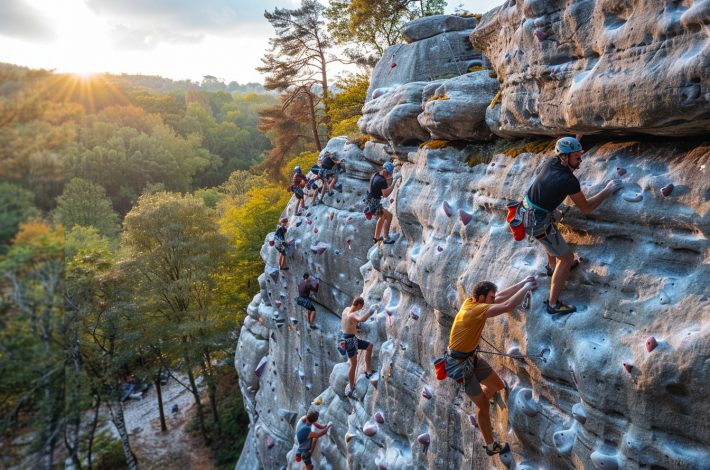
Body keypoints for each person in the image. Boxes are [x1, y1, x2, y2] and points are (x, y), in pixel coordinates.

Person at [524, 136, 623, 315]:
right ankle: (553, 304)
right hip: (538, 222)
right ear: (564, 158)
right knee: (567, 258)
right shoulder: (568, 180)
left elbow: (565, 149)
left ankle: (551, 267)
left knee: (554, 221)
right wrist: (607, 190)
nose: (581, 161)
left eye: (580, 156)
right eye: (577, 158)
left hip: (527, 211)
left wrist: (576, 139)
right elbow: (586, 208)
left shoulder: (553, 162)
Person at [446, 277, 537, 456]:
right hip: (459, 365)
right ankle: (490, 445)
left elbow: (500, 298)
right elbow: (506, 306)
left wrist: (520, 284)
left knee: (498, 386)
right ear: (481, 299)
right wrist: (527, 288)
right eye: (490, 298)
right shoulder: (474, 311)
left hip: (470, 357)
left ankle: (480, 400)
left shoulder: (472, 302)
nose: (493, 300)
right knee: (483, 406)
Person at [339, 297, 378, 398]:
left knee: (369, 346)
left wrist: (354, 328)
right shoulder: (353, 315)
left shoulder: (346, 310)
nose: (360, 309)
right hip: (350, 340)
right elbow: (362, 319)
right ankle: (352, 387)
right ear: (359, 305)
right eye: (361, 308)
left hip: (346, 337)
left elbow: (346, 323)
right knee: (353, 364)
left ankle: (368, 371)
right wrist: (371, 311)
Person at [364, 161, 401, 244]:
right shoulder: (381, 181)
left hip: (369, 200)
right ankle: (386, 238)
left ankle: (376, 238)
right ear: (385, 171)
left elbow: (374, 188)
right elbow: (385, 194)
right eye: (388, 173)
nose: (389, 175)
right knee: (389, 216)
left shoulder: (375, 175)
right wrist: (394, 182)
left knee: (382, 217)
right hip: (374, 205)